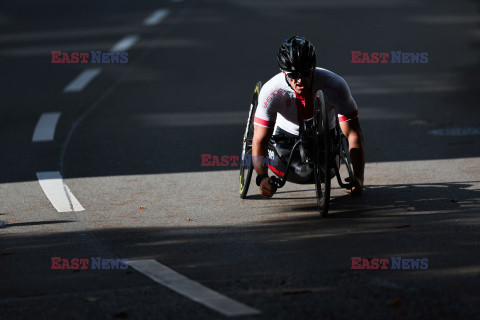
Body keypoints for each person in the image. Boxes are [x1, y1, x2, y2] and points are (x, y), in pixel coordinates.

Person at [252, 36, 365, 198]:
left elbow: (354, 133)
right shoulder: (271, 91)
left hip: (325, 137)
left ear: (314, 67)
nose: (300, 81)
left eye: (305, 73)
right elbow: (259, 140)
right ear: (283, 72)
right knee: (300, 172)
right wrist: (261, 178)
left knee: (320, 170)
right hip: (286, 140)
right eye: (292, 75)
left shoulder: (335, 84)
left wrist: (359, 178)